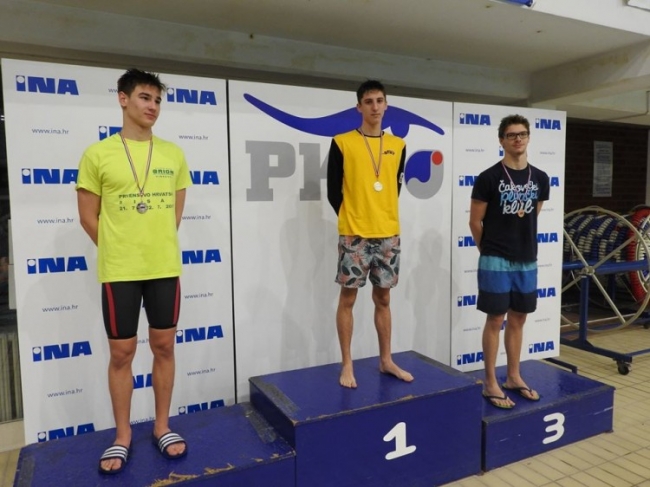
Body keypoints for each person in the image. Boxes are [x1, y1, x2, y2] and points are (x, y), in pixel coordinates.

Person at [76, 69, 193, 474]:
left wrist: (151, 245)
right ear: (123, 99)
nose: (153, 106)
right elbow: (88, 216)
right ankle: (122, 435)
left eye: (158, 100)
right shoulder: (97, 154)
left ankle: (162, 426)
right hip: (119, 271)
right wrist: (120, 249)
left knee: (164, 347)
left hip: (163, 268)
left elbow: (174, 214)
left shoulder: (173, 154)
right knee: (122, 353)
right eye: (145, 97)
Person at [326, 79, 414, 389]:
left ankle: (386, 359)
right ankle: (347, 364)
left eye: (379, 101)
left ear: (386, 104)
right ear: (359, 107)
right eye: (368, 101)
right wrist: (355, 216)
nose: (375, 107)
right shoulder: (342, 142)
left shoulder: (398, 145)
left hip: (388, 234)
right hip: (355, 235)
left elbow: (394, 186)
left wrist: (381, 214)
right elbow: (333, 191)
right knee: (348, 299)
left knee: (384, 299)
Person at [469, 114, 550, 409]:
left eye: (522, 134)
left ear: (528, 137)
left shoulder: (540, 178)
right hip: (495, 260)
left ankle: (514, 376)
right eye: (512, 135)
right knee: (495, 319)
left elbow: (533, 213)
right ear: (501, 140)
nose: (518, 139)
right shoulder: (489, 177)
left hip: (527, 259)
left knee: (519, 318)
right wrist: (489, 251)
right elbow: (475, 222)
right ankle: (490, 381)